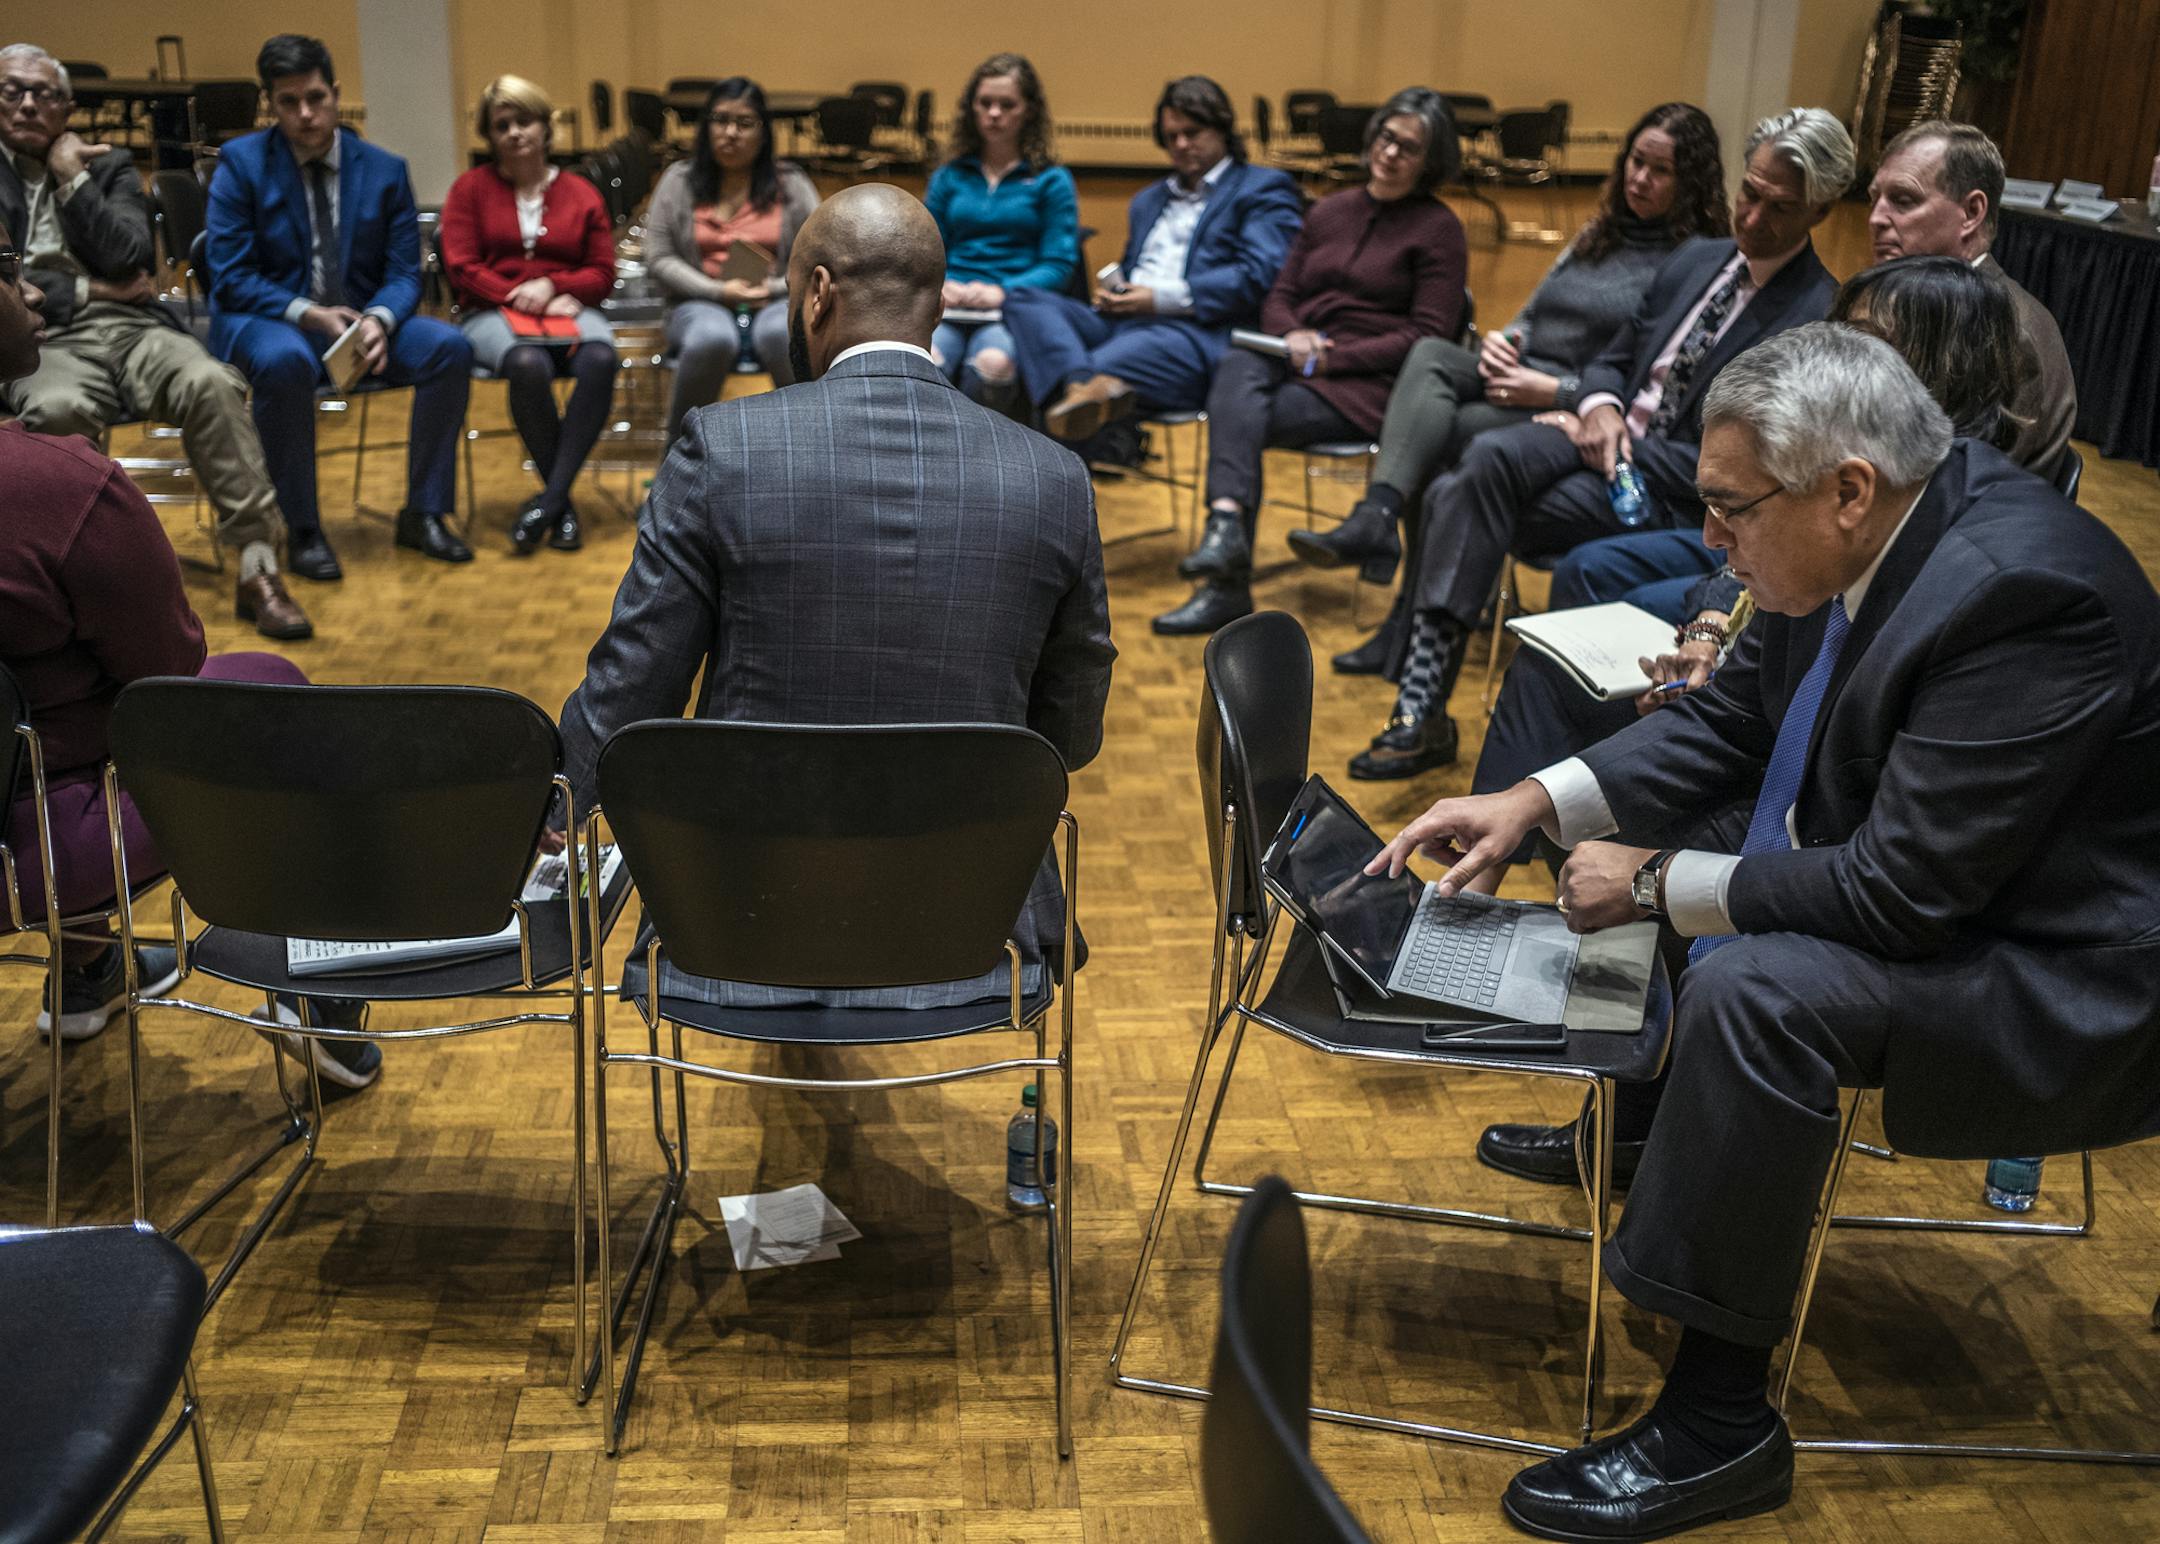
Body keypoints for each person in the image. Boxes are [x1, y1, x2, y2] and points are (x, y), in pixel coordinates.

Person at [1372, 323, 2160, 1540]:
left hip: (2053, 965)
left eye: (1730, 508)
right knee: (1677, 854)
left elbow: (1900, 896)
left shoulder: (2026, 594)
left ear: (1847, 488)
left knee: (1757, 990)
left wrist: (1655, 882)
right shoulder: (1861, 533)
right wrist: (1533, 798)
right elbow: (1733, 719)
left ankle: (1720, 1420)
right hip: (1942, 888)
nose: (1710, 538)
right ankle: (1641, 1130)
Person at [559, 184, 1114, 1010]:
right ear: (936, 303)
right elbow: (1068, 733)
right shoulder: (1053, 476)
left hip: (733, 933)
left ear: (816, 293)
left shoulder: (723, 448)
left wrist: (553, 811)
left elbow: (632, 691)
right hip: (974, 942)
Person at [1468, 254, 2045, 886]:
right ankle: (1475, 896)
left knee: (1625, 864)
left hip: (1844, 851)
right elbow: (1735, 705)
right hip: (1779, 763)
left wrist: (1655, 886)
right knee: (1559, 700)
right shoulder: (1834, 516)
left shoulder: (1982, 572)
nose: (1833, 361)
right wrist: (1533, 801)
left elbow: (1895, 866)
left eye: (1863, 345)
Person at [1348, 107, 1851, 782]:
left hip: (1673, 495)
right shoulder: (1698, 260)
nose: (1753, 218)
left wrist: (1622, 440)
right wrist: (1599, 407)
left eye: (1779, 207)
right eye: (1749, 194)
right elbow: (1614, 358)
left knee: (1461, 485)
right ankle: (1434, 705)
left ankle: (1427, 703)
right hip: (1601, 448)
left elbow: (1750, 468)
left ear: (1820, 210)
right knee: (1468, 474)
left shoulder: (1816, 314)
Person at [0, 220, 377, 1085]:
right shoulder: (63, 486)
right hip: (37, 854)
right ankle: (309, 990)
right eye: (9, 271)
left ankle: (91, 969)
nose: (30, 291)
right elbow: (166, 674)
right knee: (269, 690)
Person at [1549, 116, 2083, 623]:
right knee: (1584, 561)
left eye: (1903, 201)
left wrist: (1717, 608)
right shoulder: (1905, 302)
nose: (1876, 218)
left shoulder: (2001, 330)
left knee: (1604, 582)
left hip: (1893, 588)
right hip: (1803, 537)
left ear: (1971, 212)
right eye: (1874, 199)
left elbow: (1929, 514)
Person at [1284, 101, 1728, 672]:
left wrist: (1554, 390)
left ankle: (1406, 617)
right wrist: (1504, 342)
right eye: (1635, 161)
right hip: (1518, 374)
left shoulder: (1690, 267)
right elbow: (1532, 315)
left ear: (1691, 183)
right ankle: (1381, 524)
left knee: (1443, 436)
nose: (1639, 179)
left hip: (1563, 405)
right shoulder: (1599, 234)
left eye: (1659, 171)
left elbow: (1637, 379)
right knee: (1430, 356)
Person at [0, 43, 312, 641]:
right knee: (58, 410)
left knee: (213, 383)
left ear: (68, 107)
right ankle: (77, 582)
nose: (29, 104)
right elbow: (6, 288)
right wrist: (93, 289)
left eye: (44, 93)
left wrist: (71, 177)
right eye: (13, 91)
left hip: (136, 328)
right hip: (41, 338)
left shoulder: (107, 165)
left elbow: (131, 255)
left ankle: (259, 568)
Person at [1152, 87, 1467, 637]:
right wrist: (1292, 334)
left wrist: (1332, 359)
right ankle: (1226, 525)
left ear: (1430, 160)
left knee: (1241, 416)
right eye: (1386, 137)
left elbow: (1430, 336)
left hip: (1373, 386)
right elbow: (1280, 293)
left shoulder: (1438, 228)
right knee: (1237, 364)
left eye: (1409, 147)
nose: (1390, 152)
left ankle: (1226, 582)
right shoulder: (1330, 210)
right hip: (1300, 361)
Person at [206, 33, 474, 577]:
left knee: (449, 347)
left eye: (315, 98)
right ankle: (302, 527)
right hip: (271, 318)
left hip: (359, 319)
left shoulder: (384, 169)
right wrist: (308, 313)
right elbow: (231, 276)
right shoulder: (240, 163)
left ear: (335, 93)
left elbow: (404, 273)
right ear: (270, 104)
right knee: (285, 360)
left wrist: (379, 319)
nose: (305, 114)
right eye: (288, 102)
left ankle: (423, 513)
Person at [1001, 76, 1302, 447]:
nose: (1181, 145)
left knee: (1056, 367)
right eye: (1171, 136)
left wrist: (1157, 299)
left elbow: (1259, 274)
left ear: (1223, 128)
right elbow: (1135, 267)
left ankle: (1081, 392)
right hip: (1123, 323)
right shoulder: (1148, 200)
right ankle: (1081, 385)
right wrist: (1118, 294)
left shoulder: (1261, 187)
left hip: (1192, 333)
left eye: (1192, 133)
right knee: (1023, 299)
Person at [440, 74, 618, 554]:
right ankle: (561, 506)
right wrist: (519, 295)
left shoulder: (581, 192)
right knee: (527, 363)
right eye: (501, 126)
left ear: (545, 126)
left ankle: (550, 501)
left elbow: (602, 272)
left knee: (601, 359)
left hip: (566, 307)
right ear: (489, 135)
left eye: (524, 121)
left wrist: (554, 286)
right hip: (491, 312)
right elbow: (462, 267)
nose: (514, 133)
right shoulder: (469, 190)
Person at [645, 77, 819, 445]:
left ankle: (811, 448)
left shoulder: (792, 183)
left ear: (764, 131)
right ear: (706, 126)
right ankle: (679, 455)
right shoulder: (678, 181)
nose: (730, 133)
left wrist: (772, 287)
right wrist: (716, 291)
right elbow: (658, 257)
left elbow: (819, 253)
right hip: (696, 302)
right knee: (711, 337)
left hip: (775, 300)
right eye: (720, 120)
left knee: (782, 334)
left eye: (744, 123)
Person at [925, 53, 1079, 411]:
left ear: (1028, 111)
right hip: (950, 303)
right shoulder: (949, 176)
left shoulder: (1051, 179)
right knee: (927, 361)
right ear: (972, 108)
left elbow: (1058, 264)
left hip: (1011, 308)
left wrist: (1002, 291)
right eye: (985, 103)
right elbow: (926, 250)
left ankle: (981, 447)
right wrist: (941, 283)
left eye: (1007, 105)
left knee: (993, 365)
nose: (994, 113)